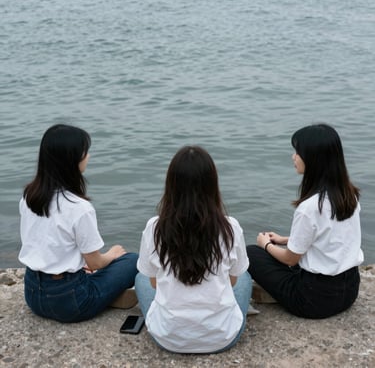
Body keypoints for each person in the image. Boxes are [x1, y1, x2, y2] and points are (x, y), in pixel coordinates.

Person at [135, 146, 252, 353]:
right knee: (244, 277)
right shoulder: (230, 227)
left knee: (141, 279)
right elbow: (232, 280)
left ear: (171, 185)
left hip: (168, 338)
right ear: (212, 184)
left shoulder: (155, 227)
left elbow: (154, 283)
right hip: (223, 337)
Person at [18, 124, 138, 323]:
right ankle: (105, 297)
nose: (88, 156)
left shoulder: (28, 197)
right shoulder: (79, 207)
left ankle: (103, 293)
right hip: (70, 301)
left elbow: (46, 244)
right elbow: (95, 263)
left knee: (84, 267)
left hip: (32, 293)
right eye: (85, 152)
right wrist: (113, 253)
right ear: (71, 160)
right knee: (132, 260)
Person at [247, 123, 364, 319]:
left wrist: (265, 244)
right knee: (291, 256)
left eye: (297, 152)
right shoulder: (349, 195)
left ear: (313, 159)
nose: (293, 157)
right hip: (349, 290)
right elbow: (333, 237)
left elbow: (290, 259)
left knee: (252, 253)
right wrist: (286, 239)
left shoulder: (310, 207)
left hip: (313, 300)